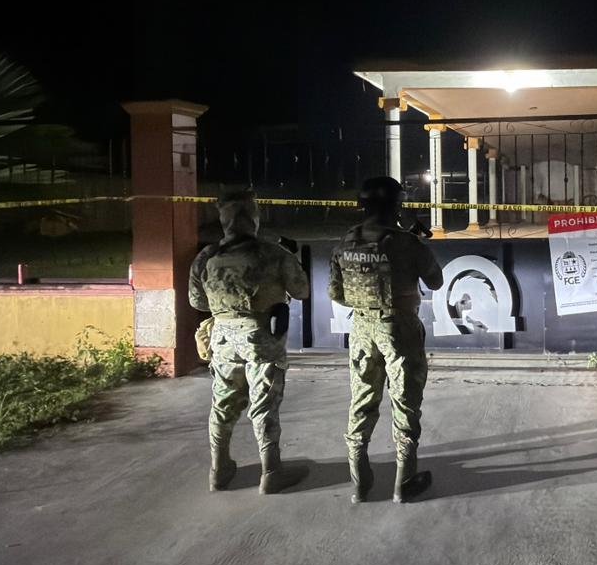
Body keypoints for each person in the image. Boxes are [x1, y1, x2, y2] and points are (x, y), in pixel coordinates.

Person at [330, 176, 444, 504]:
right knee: (405, 401)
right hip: (399, 329)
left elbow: (336, 293)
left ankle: (359, 482)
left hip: (362, 330)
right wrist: (416, 238)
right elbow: (435, 281)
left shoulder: (345, 242)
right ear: (396, 205)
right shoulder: (405, 242)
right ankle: (404, 481)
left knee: (362, 399)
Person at [189, 189, 311, 494]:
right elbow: (301, 290)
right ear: (254, 218)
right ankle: (271, 472)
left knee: (222, 405)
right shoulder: (273, 253)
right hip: (261, 340)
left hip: (223, 340)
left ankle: (219, 471)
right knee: (265, 404)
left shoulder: (207, 257)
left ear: (224, 219)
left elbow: (197, 302)